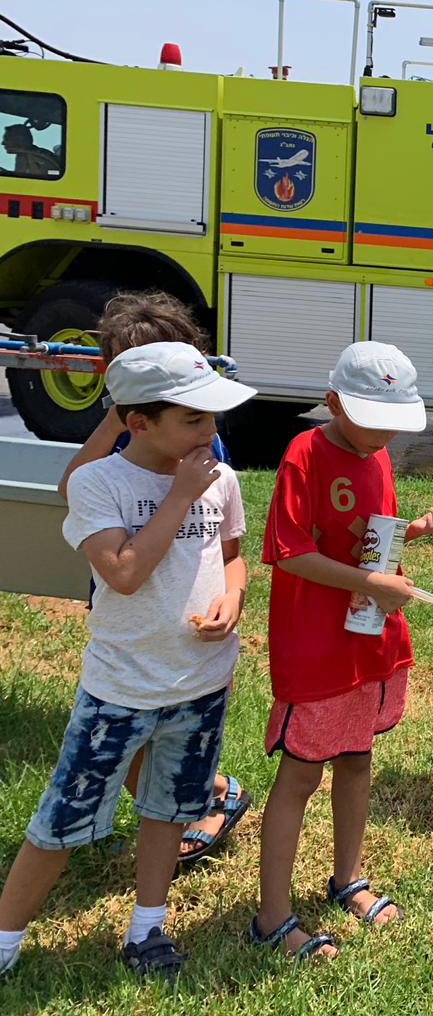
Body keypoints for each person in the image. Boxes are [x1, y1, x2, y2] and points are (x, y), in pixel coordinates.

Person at [0, 342, 256, 979]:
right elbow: (123, 573)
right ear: (138, 421)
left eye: (212, 416)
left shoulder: (220, 480)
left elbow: (231, 556)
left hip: (201, 684)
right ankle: (6, 939)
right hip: (121, 691)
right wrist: (179, 497)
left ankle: (147, 928)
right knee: (63, 818)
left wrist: (233, 597)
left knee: (168, 811)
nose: (209, 431)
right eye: (193, 419)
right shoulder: (98, 483)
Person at [251, 343, 433, 962]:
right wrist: (370, 582)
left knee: (358, 760)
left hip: (368, 639)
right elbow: (289, 551)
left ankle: (348, 878)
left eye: (394, 421)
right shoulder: (305, 453)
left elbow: (371, 541)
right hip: (317, 646)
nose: (386, 434)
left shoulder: (379, 455)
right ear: (334, 402)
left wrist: (413, 530)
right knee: (300, 775)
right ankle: (272, 915)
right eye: (374, 420)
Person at [57, 290, 250, 868]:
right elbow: (73, 486)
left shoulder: (192, 433)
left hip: (179, 593)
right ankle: (192, 798)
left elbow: (224, 542)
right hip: (122, 571)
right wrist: (113, 419)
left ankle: (197, 801)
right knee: (130, 712)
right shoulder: (129, 423)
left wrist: (232, 593)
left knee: (171, 718)